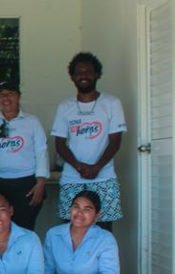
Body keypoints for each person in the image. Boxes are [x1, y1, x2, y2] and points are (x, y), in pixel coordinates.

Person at [52, 52, 127, 232]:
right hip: (72, 178)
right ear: (72, 77)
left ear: (97, 75)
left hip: (104, 177)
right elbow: (60, 144)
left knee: (103, 229)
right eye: (78, 72)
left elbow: (115, 142)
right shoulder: (65, 106)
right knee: (70, 228)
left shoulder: (111, 103)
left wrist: (97, 167)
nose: (83, 76)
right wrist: (79, 166)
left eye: (88, 72)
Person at [0, 81, 49, 231]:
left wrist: (40, 183)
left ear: (18, 97)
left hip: (25, 185)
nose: (6, 98)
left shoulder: (32, 122)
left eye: (10, 94)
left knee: (24, 229)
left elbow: (41, 151)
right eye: (1, 95)